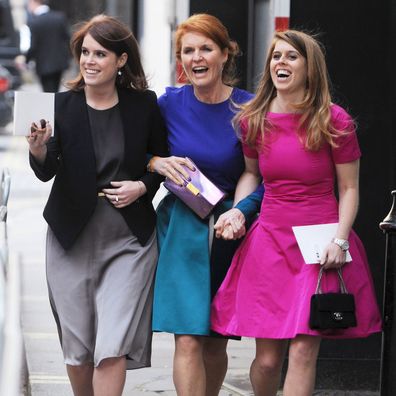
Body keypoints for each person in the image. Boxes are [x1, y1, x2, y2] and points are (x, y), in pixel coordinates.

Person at [211, 30, 382, 396]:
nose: (280, 63)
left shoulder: (333, 120)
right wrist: (239, 212)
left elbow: (349, 189)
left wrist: (339, 238)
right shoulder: (253, 118)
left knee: (303, 351)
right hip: (269, 241)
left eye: (291, 57)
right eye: (276, 56)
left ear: (309, 67)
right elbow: (252, 174)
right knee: (269, 360)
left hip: (319, 244)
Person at [26, 14, 168, 396]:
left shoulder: (144, 105)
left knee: (111, 347)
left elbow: (160, 161)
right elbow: (46, 171)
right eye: (85, 52)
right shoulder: (60, 105)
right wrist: (38, 149)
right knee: (78, 351)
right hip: (70, 238)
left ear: (121, 60)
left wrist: (142, 186)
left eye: (100, 53)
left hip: (128, 241)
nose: (89, 60)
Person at [147, 13, 263, 396]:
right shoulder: (169, 103)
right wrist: (156, 162)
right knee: (188, 338)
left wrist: (239, 212)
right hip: (182, 225)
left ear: (225, 54)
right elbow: (144, 151)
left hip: (228, 227)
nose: (196, 58)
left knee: (215, 339)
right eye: (188, 51)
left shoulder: (247, 109)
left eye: (206, 49)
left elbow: (252, 171)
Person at [26, 0, 70, 92]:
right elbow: (68, 39)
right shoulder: (59, 17)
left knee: (48, 93)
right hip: (59, 63)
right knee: (56, 90)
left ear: (34, 3)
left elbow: (33, 46)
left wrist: (27, 59)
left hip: (43, 65)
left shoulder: (34, 22)